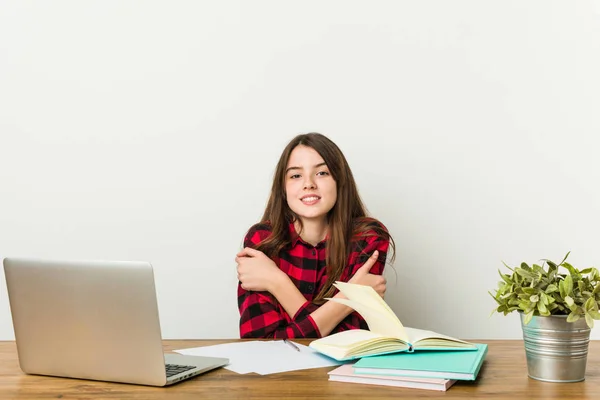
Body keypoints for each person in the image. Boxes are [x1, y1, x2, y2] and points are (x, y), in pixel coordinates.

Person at [236, 133, 395, 339]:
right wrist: (349, 298)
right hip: (278, 371)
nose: (308, 184)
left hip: (341, 371)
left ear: (339, 181)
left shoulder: (368, 238)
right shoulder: (262, 240)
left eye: (321, 173)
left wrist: (276, 283)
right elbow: (258, 342)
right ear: (283, 188)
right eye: (295, 175)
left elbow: (349, 342)